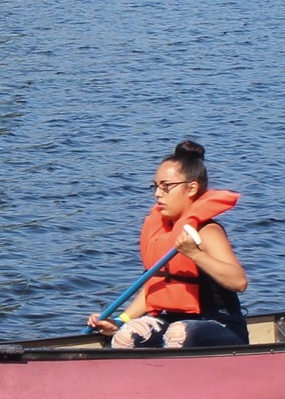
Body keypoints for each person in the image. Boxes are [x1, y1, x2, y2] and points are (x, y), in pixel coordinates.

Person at [89, 140, 250, 349]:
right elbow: (155, 287)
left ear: (191, 188)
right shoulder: (162, 230)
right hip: (174, 323)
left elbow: (239, 282)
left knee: (178, 333)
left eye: (166, 187)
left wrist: (195, 254)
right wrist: (120, 321)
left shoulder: (206, 231)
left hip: (220, 325)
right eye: (155, 186)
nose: (157, 194)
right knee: (126, 335)